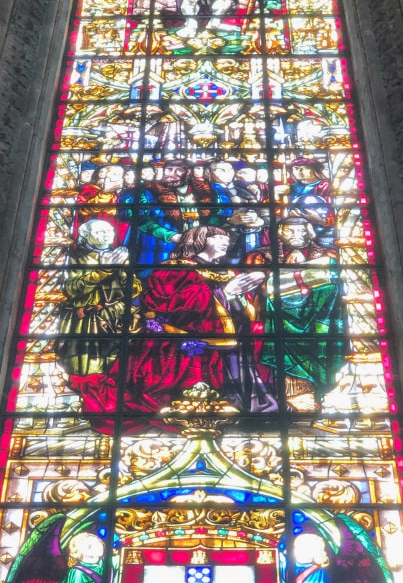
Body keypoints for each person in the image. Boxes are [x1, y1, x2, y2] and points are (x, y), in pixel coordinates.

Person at [77, 226, 277, 423]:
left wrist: (239, 296)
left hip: (223, 346)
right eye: (217, 237)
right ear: (198, 240)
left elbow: (240, 311)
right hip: (177, 348)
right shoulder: (173, 269)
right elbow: (172, 306)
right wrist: (223, 293)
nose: (226, 242)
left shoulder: (227, 273)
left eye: (227, 239)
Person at [248, 217, 347, 412]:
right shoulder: (262, 256)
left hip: (321, 314)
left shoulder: (327, 254)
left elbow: (338, 279)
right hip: (276, 312)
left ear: (310, 232)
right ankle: (295, 393)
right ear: (279, 233)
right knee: (284, 340)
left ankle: (324, 390)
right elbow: (254, 284)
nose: (297, 236)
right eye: (291, 231)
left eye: (302, 231)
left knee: (324, 337)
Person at [55, 219, 141, 379]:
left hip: (117, 317)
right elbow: (72, 290)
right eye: (100, 231)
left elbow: (135, 289)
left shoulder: (118, 255)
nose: (107, 235)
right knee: (87, 369)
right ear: (85, 235)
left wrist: (121, 269)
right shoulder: (76, 257)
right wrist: (105, 270)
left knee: (116, 367)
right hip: (86, 322)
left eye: (109, 231)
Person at [122, 159, 203, 264]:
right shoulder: (149, 191)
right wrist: (170, 236)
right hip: (153, 248)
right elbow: (137, 217)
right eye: (169, 170)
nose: (172, 174)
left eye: (179, 170)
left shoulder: (200, 193)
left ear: (188, 173)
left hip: (191, 250)